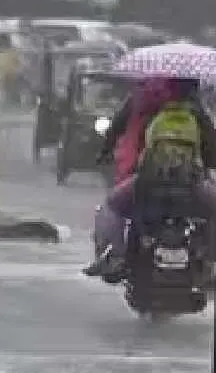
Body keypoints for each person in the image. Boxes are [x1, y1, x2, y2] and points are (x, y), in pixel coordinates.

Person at [87, 77, 216, 279]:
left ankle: (115, 257)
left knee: (112, 206)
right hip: (191, 186)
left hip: (148, 183)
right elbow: (212, 150)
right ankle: (211, 260)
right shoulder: (198, 112)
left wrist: (105, 153)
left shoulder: (145, 103)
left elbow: (122, 134)